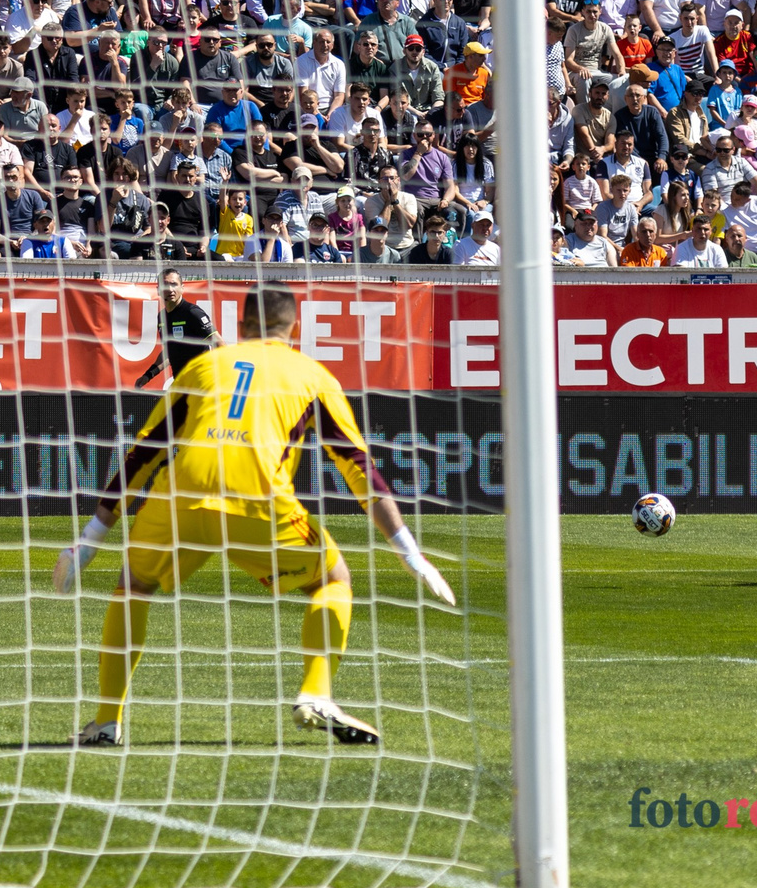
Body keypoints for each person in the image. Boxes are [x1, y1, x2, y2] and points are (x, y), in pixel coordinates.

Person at [56, 287, 457, 750]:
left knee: (134, 586)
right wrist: (409, 551)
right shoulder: (312, 375)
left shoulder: (202, 367)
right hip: (259, 503)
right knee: (332, 578)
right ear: (295, 330)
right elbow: (358, 467)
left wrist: (88, 541)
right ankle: (317, 694)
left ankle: (107, 722)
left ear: (241, 327)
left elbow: (142, 454)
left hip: (181, 498)